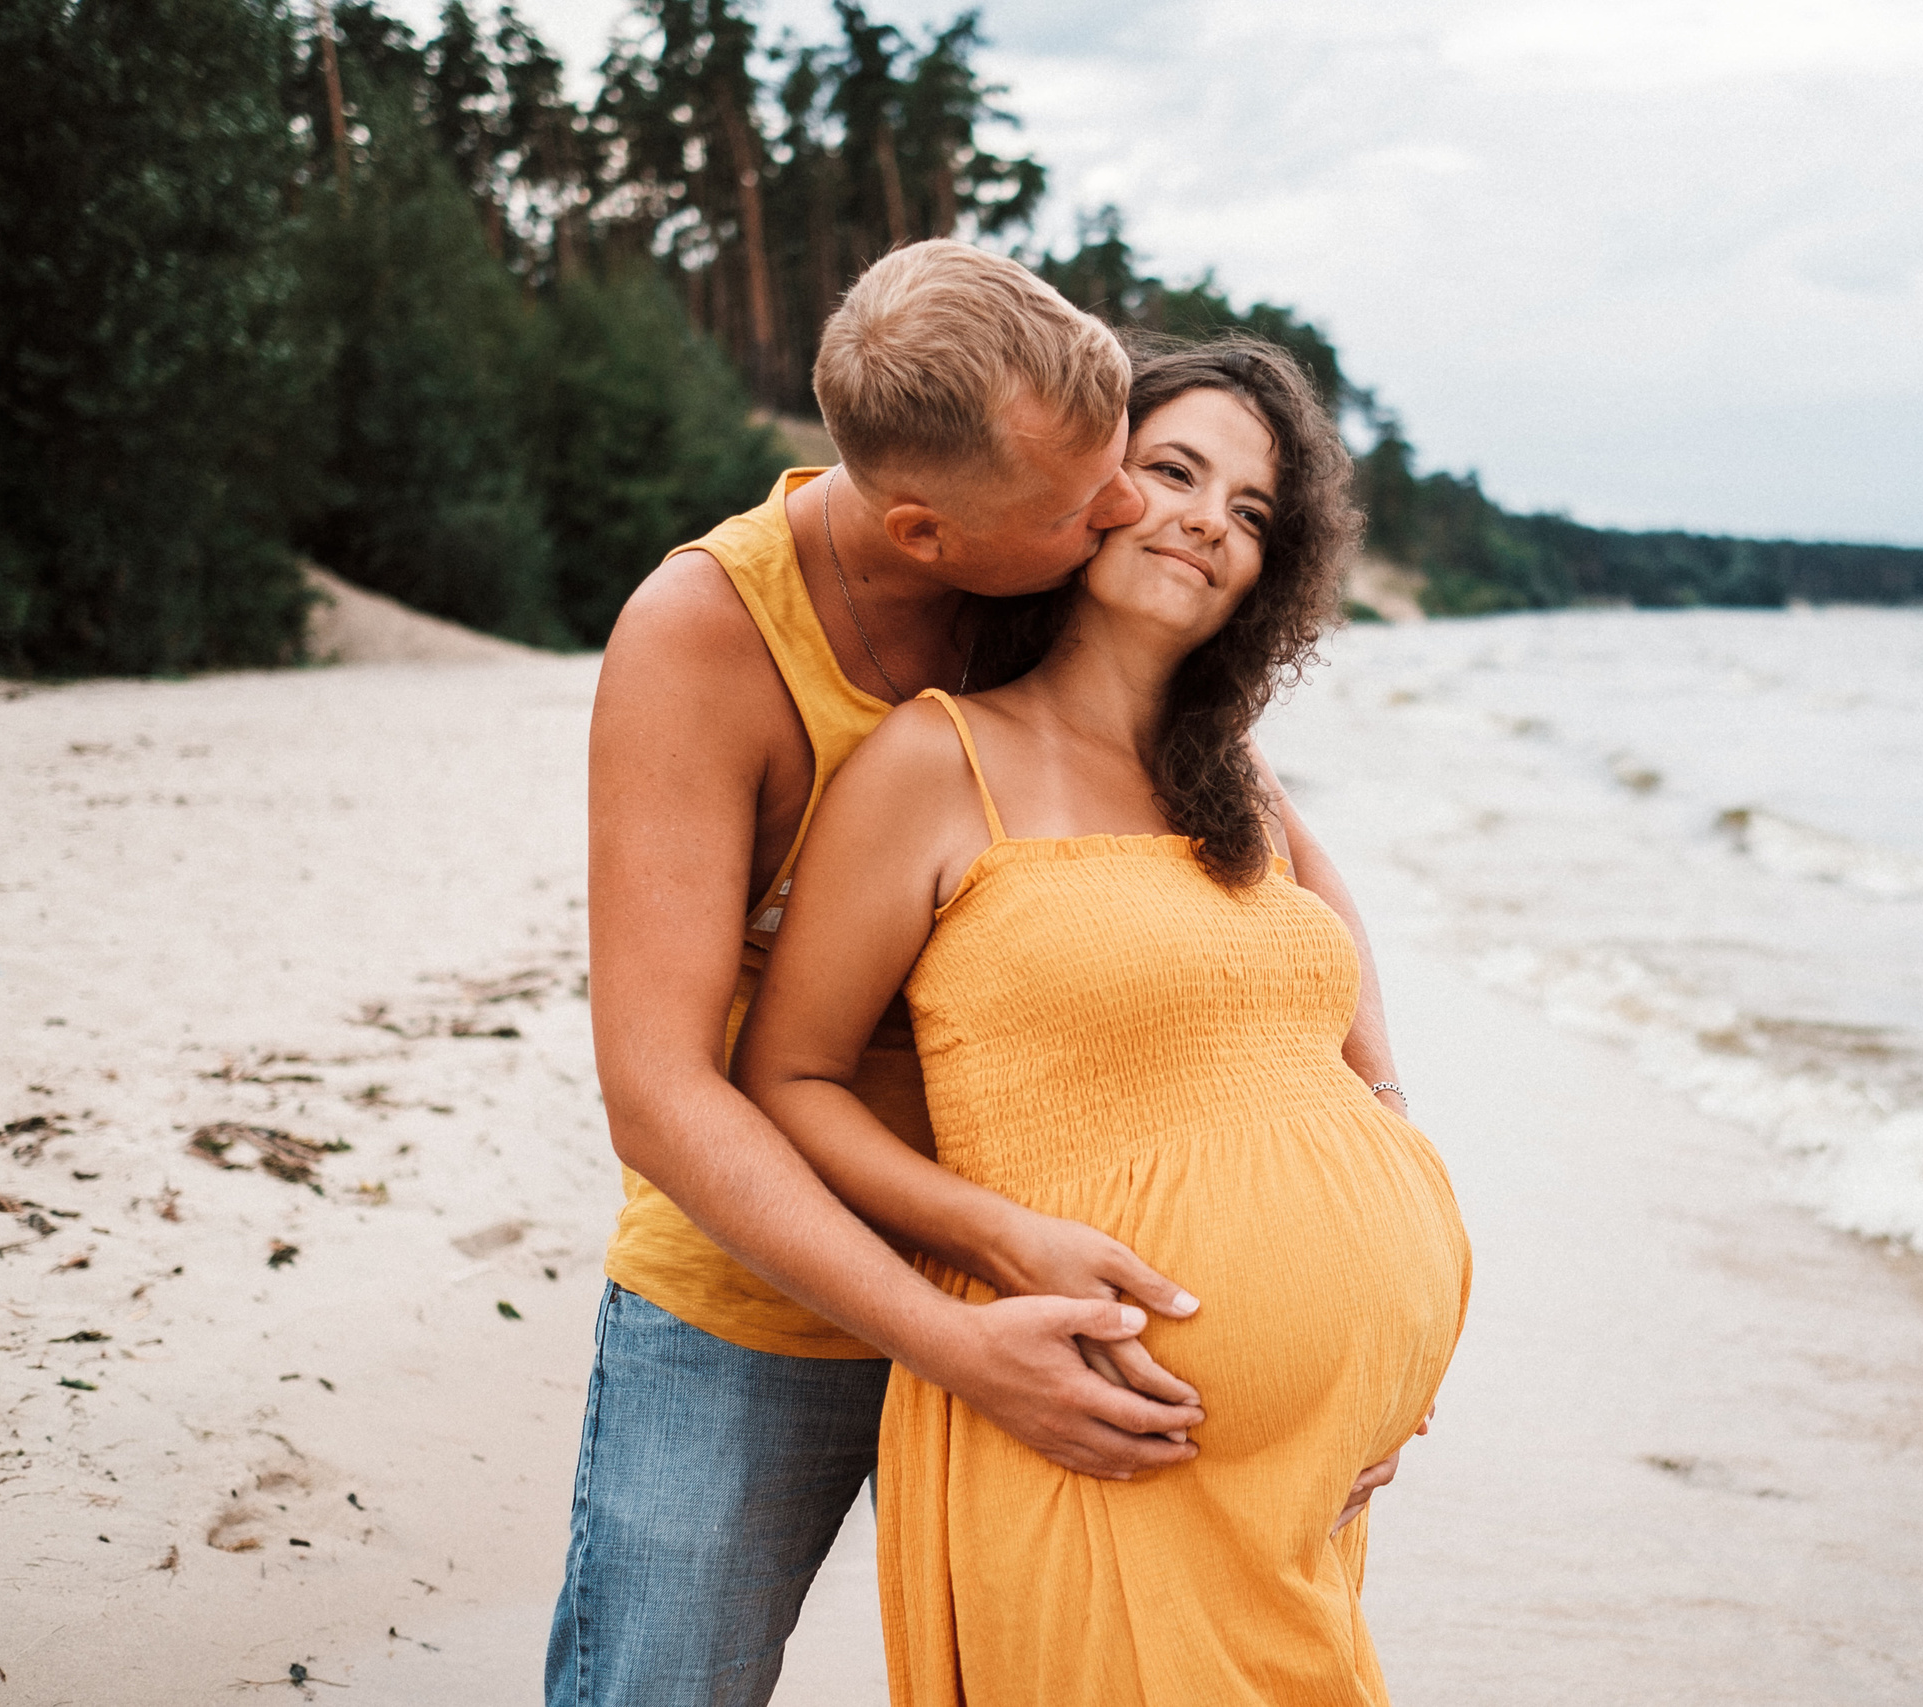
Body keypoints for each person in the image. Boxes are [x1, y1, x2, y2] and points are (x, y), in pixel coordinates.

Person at [550, 243, 1419, 1704]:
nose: (1134, 510)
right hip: (769, 1299)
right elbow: (659, 1092)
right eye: (1095, 499)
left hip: (1066, 1315)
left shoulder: (1067, 603)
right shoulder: (708, 637)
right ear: (927, 532)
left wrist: (1373, 1221)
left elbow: (1297, 878)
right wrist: (955, 1336)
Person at [733, 338, 1472, 1704]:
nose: (1209, 519)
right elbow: (791, 1077)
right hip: (1092, 1422)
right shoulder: (937, 761)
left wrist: (1391, 1171)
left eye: (1252, 512)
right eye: (1174, 470)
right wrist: (991, 1234)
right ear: (1082, 493)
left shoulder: (1230, 776)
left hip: (1301, 1489)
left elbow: (1334, 944)